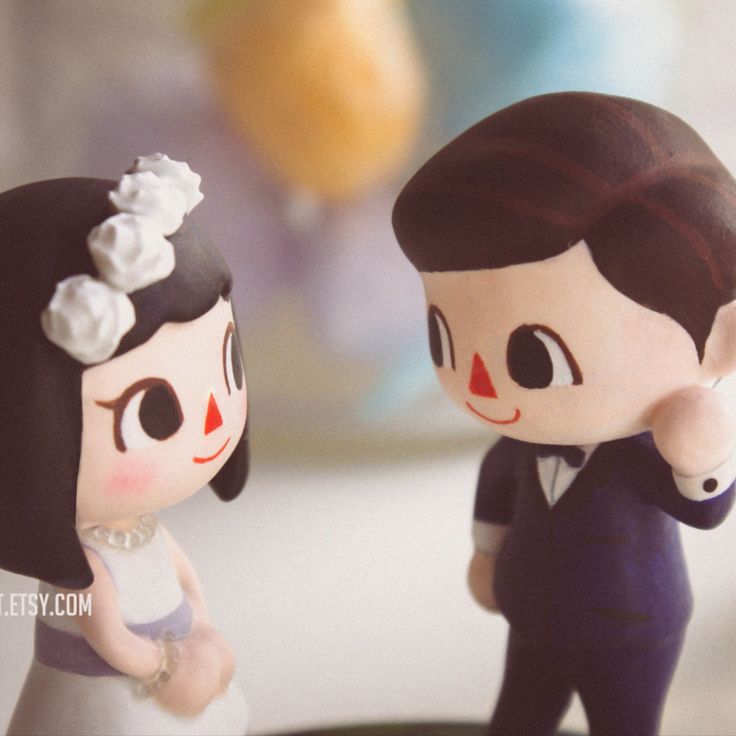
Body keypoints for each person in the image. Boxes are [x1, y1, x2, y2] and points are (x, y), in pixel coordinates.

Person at [392, 92, 736, 735]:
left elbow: (707, 507)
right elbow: (498, 484)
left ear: (720, 335)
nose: (480, 381)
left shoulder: (645, 454)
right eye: (444, 336)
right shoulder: (519, 443)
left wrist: (703, 454)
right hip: (533, 615)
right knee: (517, 721)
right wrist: (486, 552)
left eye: (533, 357)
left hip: (634, 629)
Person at [1, 155, 250, 735]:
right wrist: (168, 668)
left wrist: (204, 632)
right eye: (153, 412)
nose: (213, 418)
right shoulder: (84, 569)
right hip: (105, 705)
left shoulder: (145, 529)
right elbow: (109, 636)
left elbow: (186, 579)